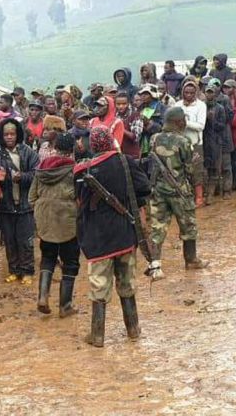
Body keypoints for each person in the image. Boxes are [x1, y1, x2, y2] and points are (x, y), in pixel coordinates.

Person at [74, 126, 150, 348]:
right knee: (127, 282)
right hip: (125, 233)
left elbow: (78, 203)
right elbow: (144, 188)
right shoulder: (126, 162)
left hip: (97, 239)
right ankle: (133, 329)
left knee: (99, 286)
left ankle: (97, 335)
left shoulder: (81, 171)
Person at [146, 108, 209, 281]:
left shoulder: (154, 138)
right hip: (179, 191)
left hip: (158, 190)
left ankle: (156, 266)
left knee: (157, 227)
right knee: (188, 226)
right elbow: (188, 169)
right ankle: (191, 260)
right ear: (178, 122)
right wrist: (194, 161)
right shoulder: (183, 141)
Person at [29, 133, 78, 317]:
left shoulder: (41, 168)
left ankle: (43, 297)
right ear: (72, 150)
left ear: (55, 147)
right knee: (70, 262)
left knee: (48, 257)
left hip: (45, 221)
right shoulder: (74, 170)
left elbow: (31, 197)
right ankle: (65, 306)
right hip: (67, 222)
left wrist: (40, 215)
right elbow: (80, 198)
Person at [0, 118, 39, 285]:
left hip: (25, 204)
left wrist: (22, 177)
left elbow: (37, 174)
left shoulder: (29, 153)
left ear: (18, 134)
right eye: (6, 134)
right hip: (5, 206)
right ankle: (14, 270)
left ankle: (27, 271)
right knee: (10, 240)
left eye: (12, 134)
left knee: (25, 240)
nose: (9, 137)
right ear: (1, 136)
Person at [203, 83, 232, 203]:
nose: (209, 94)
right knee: (206, 168)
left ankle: (212, 194)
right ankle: (209, 192)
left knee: (216, 168)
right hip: (205, 141)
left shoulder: (220, 108)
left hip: (217, 141)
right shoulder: (202, 107)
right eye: (207, 92)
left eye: (211, 92)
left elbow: (223, 125)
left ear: (215, 94)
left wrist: (212, 120)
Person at [115, 92, 142, 159]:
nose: (121, 106)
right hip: (118, 154)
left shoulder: (136, 115)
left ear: (128, 103)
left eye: (124, 104)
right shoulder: (115, 115)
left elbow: (135, 137)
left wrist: (121, 128)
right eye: (118, 104)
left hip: (132, 156)